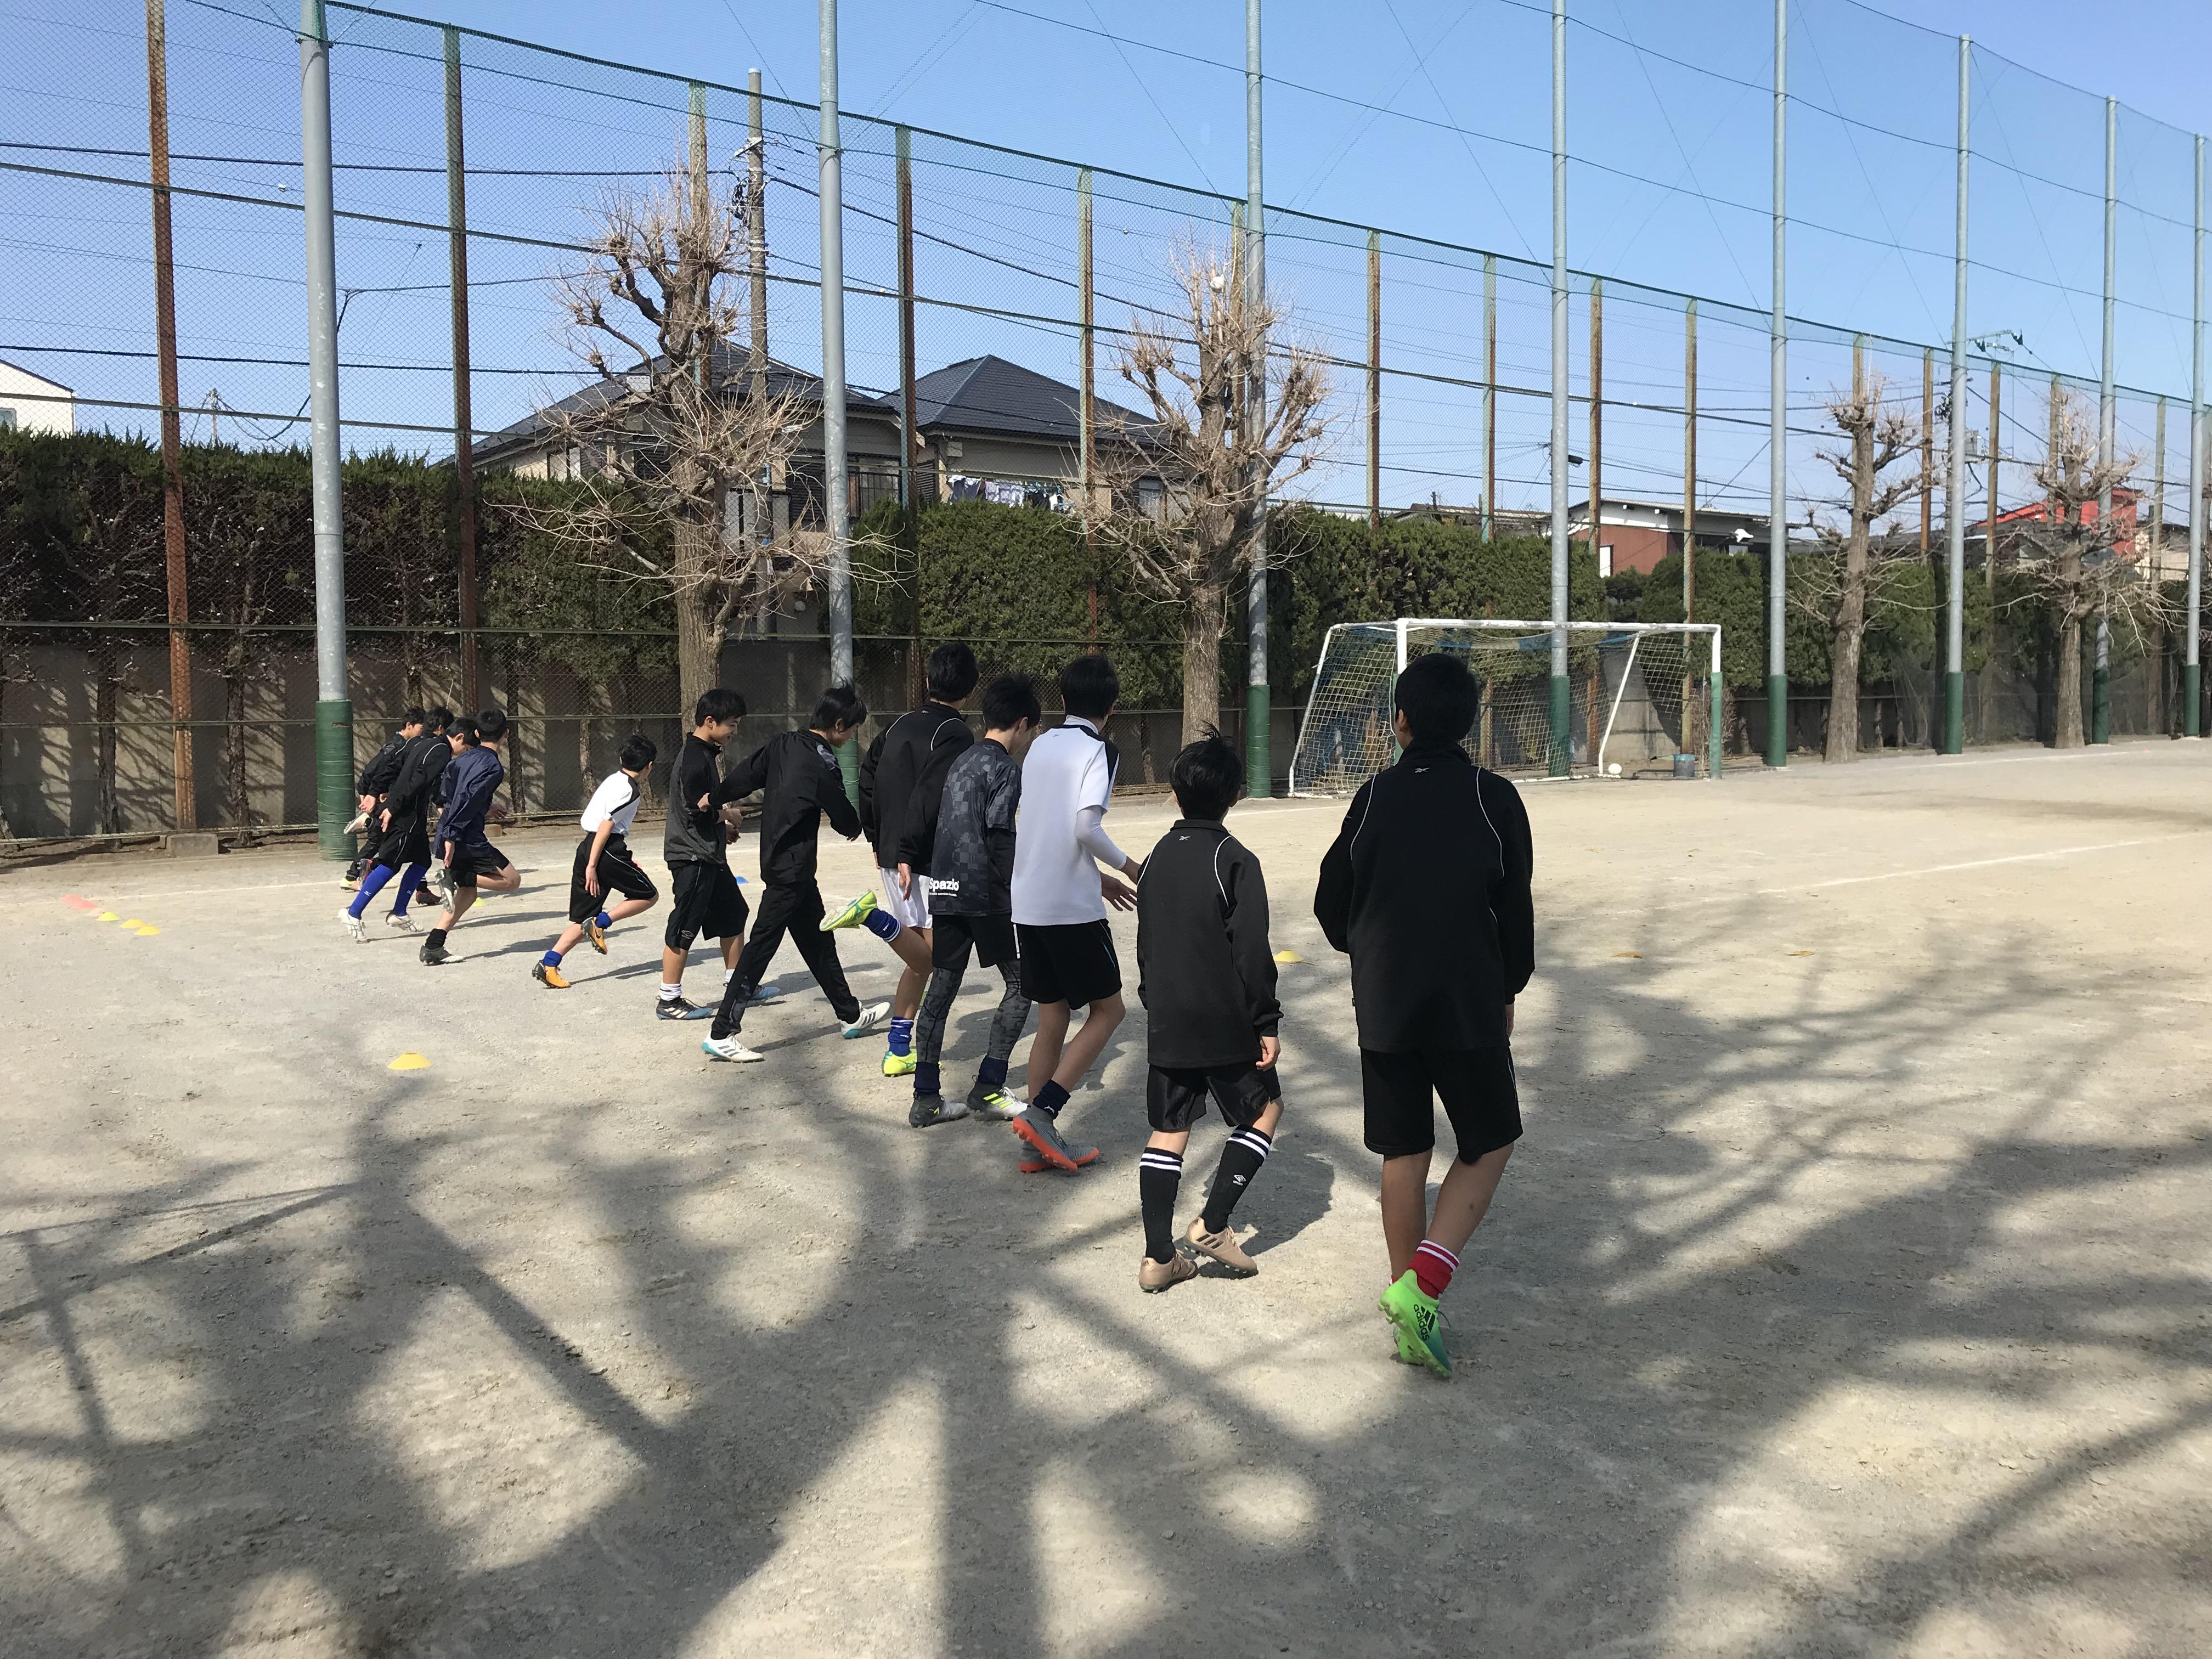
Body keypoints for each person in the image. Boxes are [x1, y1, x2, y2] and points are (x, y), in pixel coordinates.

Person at [1314, 652, 1533, 1379]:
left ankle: (1410, 1303)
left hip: (1385, 1004)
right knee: (1492, 1139)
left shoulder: (1372, 798)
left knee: (1403, 1153)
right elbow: (1515, 909)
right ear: (1470, 723)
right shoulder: (1493, 798)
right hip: (1466, 1002)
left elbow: (1330, 900)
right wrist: (1508, 988)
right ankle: (1424, 1290)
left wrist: (1367, 950)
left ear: (1398, 722)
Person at [1130, 731, 1283, 1293]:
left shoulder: (1152, 861)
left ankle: (1156, 1259)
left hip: (1168, 1017)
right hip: (1223, 1020)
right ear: (1235, 796)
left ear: (1174, 795)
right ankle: (1213, 1226)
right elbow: (1251, 952)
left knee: (1167, 1130)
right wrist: (1264, 1022)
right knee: (1265, 1110)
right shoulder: (1234, 859)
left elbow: (1146, 945)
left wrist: (1154, 1000)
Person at [701, 684, 891, 1062]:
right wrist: (861, 827)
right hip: (792, 870)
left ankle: (850, 1015)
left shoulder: (783, 743)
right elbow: (842, 815)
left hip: (785, 864)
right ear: (839, 725)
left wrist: (717, 796)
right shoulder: (823, 760)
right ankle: (722, 1031)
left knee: (819, 942)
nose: (852, 737)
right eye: (852, 730)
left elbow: (747, 774)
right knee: (760, 948)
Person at [1005, 654, 1141, 1173]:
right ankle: (1044, 1114)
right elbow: (1085, 827)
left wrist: (1095, 877)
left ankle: (1035, 1141)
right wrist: (1129, 867)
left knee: (1053, 1015)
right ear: (1111, 707)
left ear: (1061, 701)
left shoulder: (1041, 744)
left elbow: (1047, 827)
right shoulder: (1099, 751)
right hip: (1070, 911)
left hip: (1031, 901)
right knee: (1110, 1012)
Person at [904, 672, 1042, 1132]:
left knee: (941, 988)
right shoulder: (1005, 768)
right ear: (1023, 723)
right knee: (1023, 984)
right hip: (985, 891)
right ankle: (988, 1086)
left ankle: (926, 1098)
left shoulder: (961, 759)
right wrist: (1019, 889)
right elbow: (1001, 836)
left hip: (944, 888)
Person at [838, 641, 980, 1077]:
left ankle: (899, 1047)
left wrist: (878, 838)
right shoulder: (955, 733)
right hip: (925, 856)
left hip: (892, 853)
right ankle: (875, 920)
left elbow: (865, 777)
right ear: (970, 688)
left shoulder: (896, 724)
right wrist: (909, 849)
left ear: (928, 680)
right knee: (933, 959)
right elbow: (935, 797)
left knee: (918, 955)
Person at [534, 733, 661, 989]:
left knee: (582, 917)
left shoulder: (614, 779)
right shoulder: (631, 790)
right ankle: (601, 923)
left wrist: (589, 861)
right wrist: (593, 866)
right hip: (607, 851)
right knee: (649, 895)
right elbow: (607, 825)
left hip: (587, 847)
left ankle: (549, 963)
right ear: (649, 766)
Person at [658, 688, 751, 1020]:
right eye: (732, 724)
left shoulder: (704, 752)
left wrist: (721, 829)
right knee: (684, 926)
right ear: (710, 722)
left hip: (708, 854)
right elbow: (698, 809)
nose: (734, 731)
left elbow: (696, 810)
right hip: (692, 857)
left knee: (734, 914)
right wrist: (728, 816)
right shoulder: (696, 757)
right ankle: (669, 999)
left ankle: (736, 985)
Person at [420, 709, 523, 965]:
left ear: (476, 733)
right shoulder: (493, 767)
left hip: (450, 831)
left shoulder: (457, 761)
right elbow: (467, 800)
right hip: (465, 837)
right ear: (506, 735)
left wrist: (483, 809)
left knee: (468, 894)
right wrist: (453, 836)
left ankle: (433, 946)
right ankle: (455, 876)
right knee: (511, 881)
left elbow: (450, 797)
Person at [340, 706, 451, 942]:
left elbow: (391, 769)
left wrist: (376, 792)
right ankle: (353, 912)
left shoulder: (415, 744)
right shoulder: (437, 749)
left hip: (413, 815)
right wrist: (387, 802)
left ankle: (399, 912)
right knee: (390, 863)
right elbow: (417, 781)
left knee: (422, 861)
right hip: (405, 814)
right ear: (443, 729)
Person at [345, 708, 424, 884]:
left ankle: (421, 887)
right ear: (409, 726)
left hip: (387, 797)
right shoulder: (397, 746)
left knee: (397, 843)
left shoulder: (408, 746)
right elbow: (373, 769)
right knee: (382, 840)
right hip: (383, 800)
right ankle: (354, 875)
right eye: (421, 728)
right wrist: (367, 794)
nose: (422, 733)